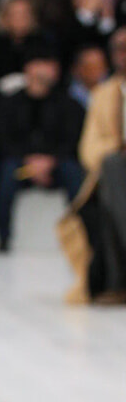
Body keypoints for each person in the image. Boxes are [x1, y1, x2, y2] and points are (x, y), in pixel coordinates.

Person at [0, 50, 84, 250]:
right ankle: (3, 238)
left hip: (56, 164)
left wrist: (50, 161)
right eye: (39, 64)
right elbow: (3, 139)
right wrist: (28, 160)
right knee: (7, 174)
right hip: (23, 165)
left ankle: (81, 235)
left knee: (74, 174)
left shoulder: (68, 103)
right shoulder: (11, 102)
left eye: (48, 64)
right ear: (28, 69)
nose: (44, 70)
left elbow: (73, 139)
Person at [69, 27, 126, 302]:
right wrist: (119, 148)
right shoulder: (103, 94)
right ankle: (115, 283)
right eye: (118, 48)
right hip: (112, 175)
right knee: (113, 169)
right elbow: (88, 149)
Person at [0, 0, 51, 90]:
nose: (20, 19)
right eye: (15, 14)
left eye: (24, 14)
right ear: (5, 18)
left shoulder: (43, 42)